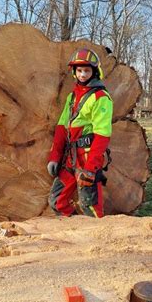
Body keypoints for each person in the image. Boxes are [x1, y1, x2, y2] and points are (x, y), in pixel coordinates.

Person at [47, 48, 113, 218]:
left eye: (87, 70)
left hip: (88, 158)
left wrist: (91, 169)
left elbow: (102, 135)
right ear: (75, 72)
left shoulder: (101, 97)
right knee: (57, 201)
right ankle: (75, 237)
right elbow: (62, 127)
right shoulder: (72, 96)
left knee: (91, 207)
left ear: (95, 72)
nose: (83, 74)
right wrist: (55, 156)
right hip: (71, 158)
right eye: (79, 70)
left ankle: (99, 239)